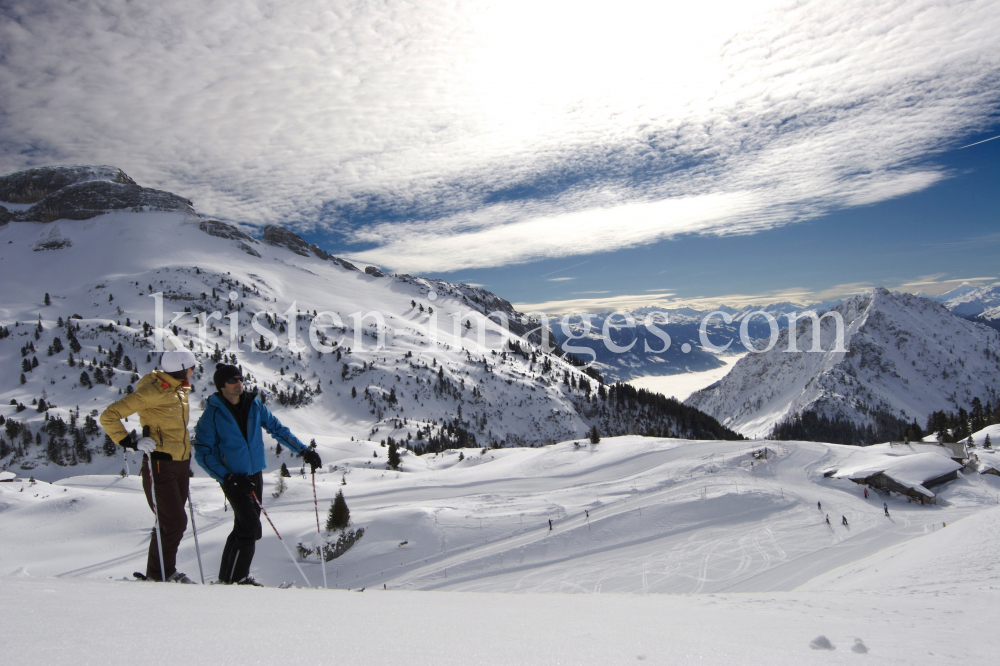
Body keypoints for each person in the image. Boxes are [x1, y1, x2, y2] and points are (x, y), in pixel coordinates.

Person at [194, 363, 321, 586]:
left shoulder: (254, 405)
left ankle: (228, 578)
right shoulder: (212, 415)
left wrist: (304, 451)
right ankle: (238, 579)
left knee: (244, 526)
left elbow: (277, 428)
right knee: (250, 527)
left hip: (254, 474)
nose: (239, 383)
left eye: (240, 378)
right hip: (234, 479)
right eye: (233, 380)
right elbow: (203, 453)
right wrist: (228, 477)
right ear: (221, 386)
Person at [100, 349, 198, 583]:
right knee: (174, 522)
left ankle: (161, 573)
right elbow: (109, 415)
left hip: (180, 463)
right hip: (160, 464)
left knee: (167, 522)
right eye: (192, 367)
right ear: (183, 368)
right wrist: (130, 442)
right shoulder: (152, 391)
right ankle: (162, 574)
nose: (194, 371)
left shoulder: (178, 389)